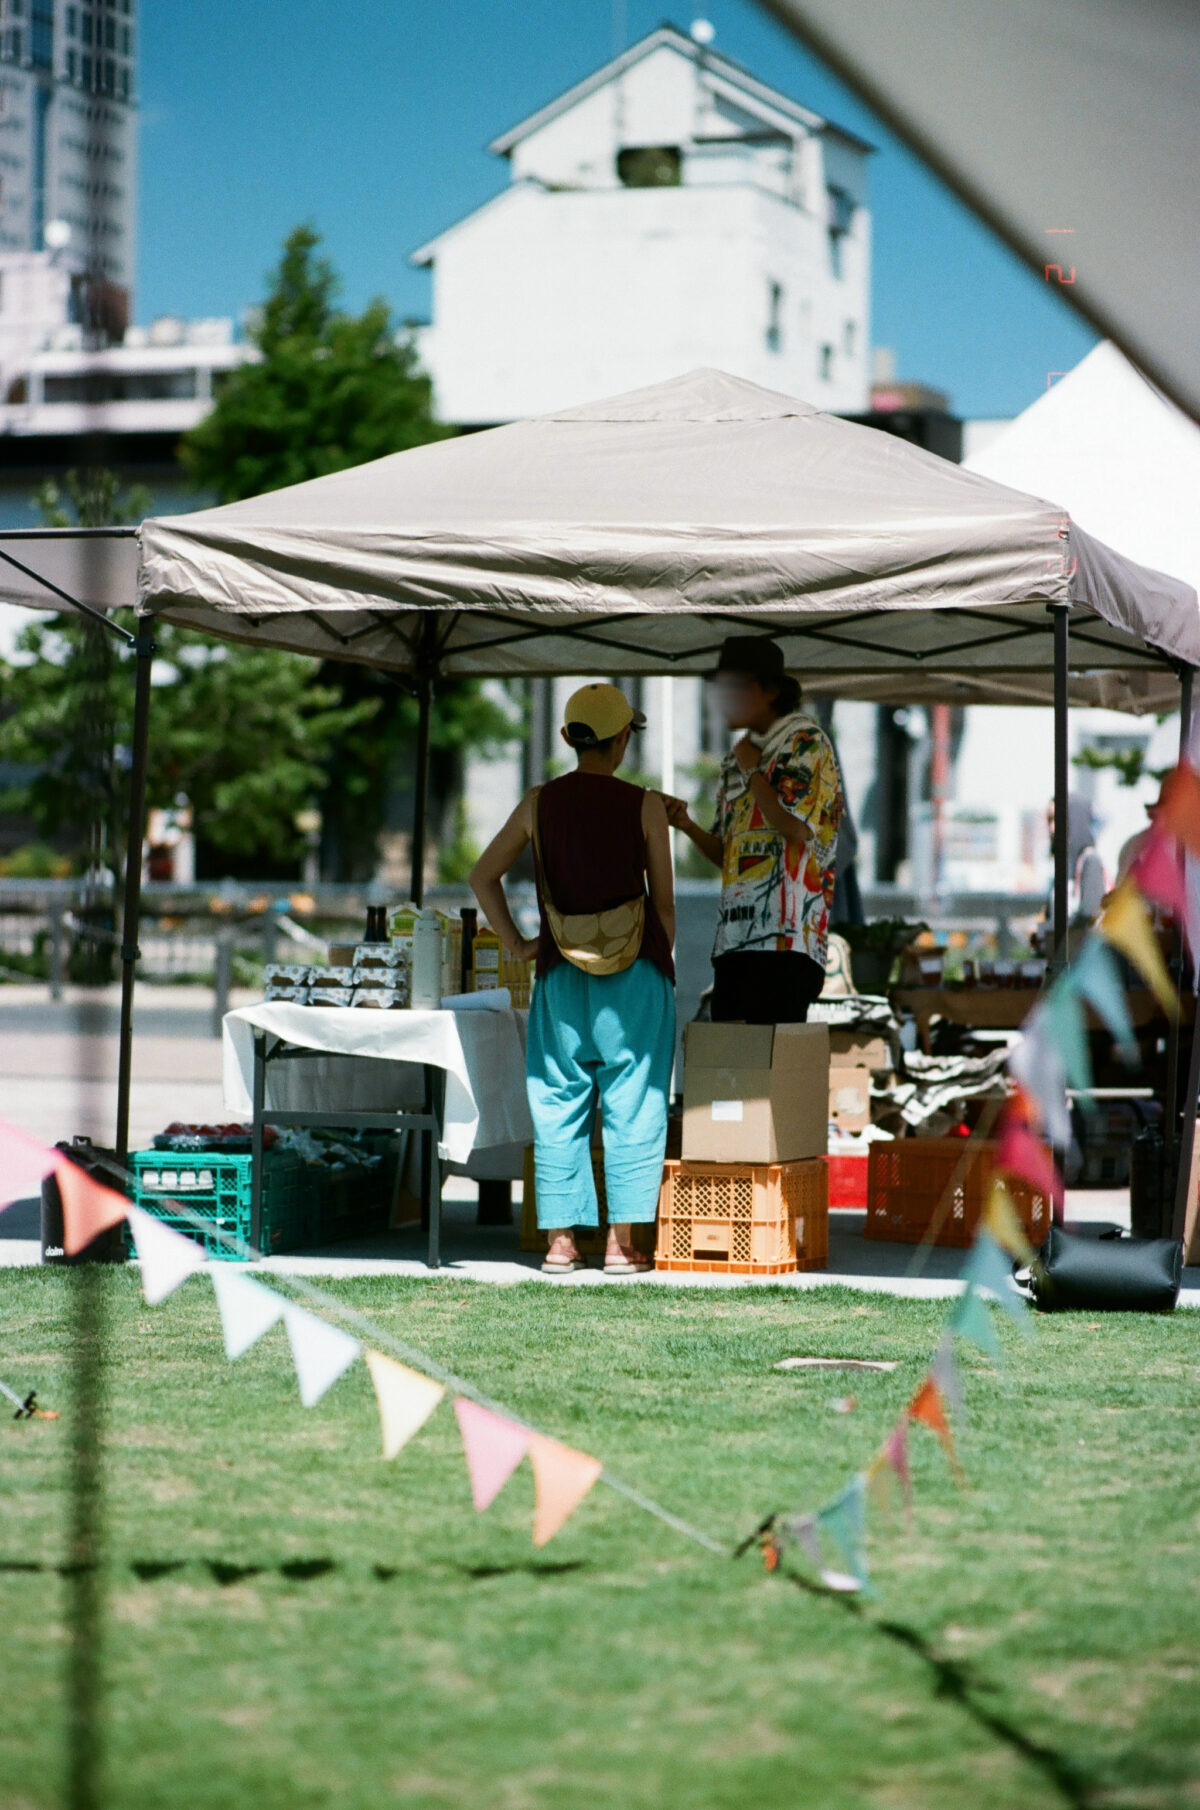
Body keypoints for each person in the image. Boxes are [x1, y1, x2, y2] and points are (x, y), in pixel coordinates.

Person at [469, 683, 676, 1275]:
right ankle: (620, 1243)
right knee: (633, 1104)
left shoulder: (538, 802)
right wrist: (660, 958)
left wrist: (517, 943)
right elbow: (663, 904)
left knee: (558, 1101)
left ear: (567, 737)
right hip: (636, 975)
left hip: (559, 972)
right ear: (624, 740)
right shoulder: (645, 805)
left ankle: (560, 1242)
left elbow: (484, 875)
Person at [665, 636, 843, 1024]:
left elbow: (796, 829)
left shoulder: (806, 743)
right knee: (731, 1069)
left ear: (769, 691)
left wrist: (752, 771)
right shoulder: (738, 759)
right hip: (735, 940)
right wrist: (686, 825)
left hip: (787, 943)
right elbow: (727, 857)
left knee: (772, 1070)